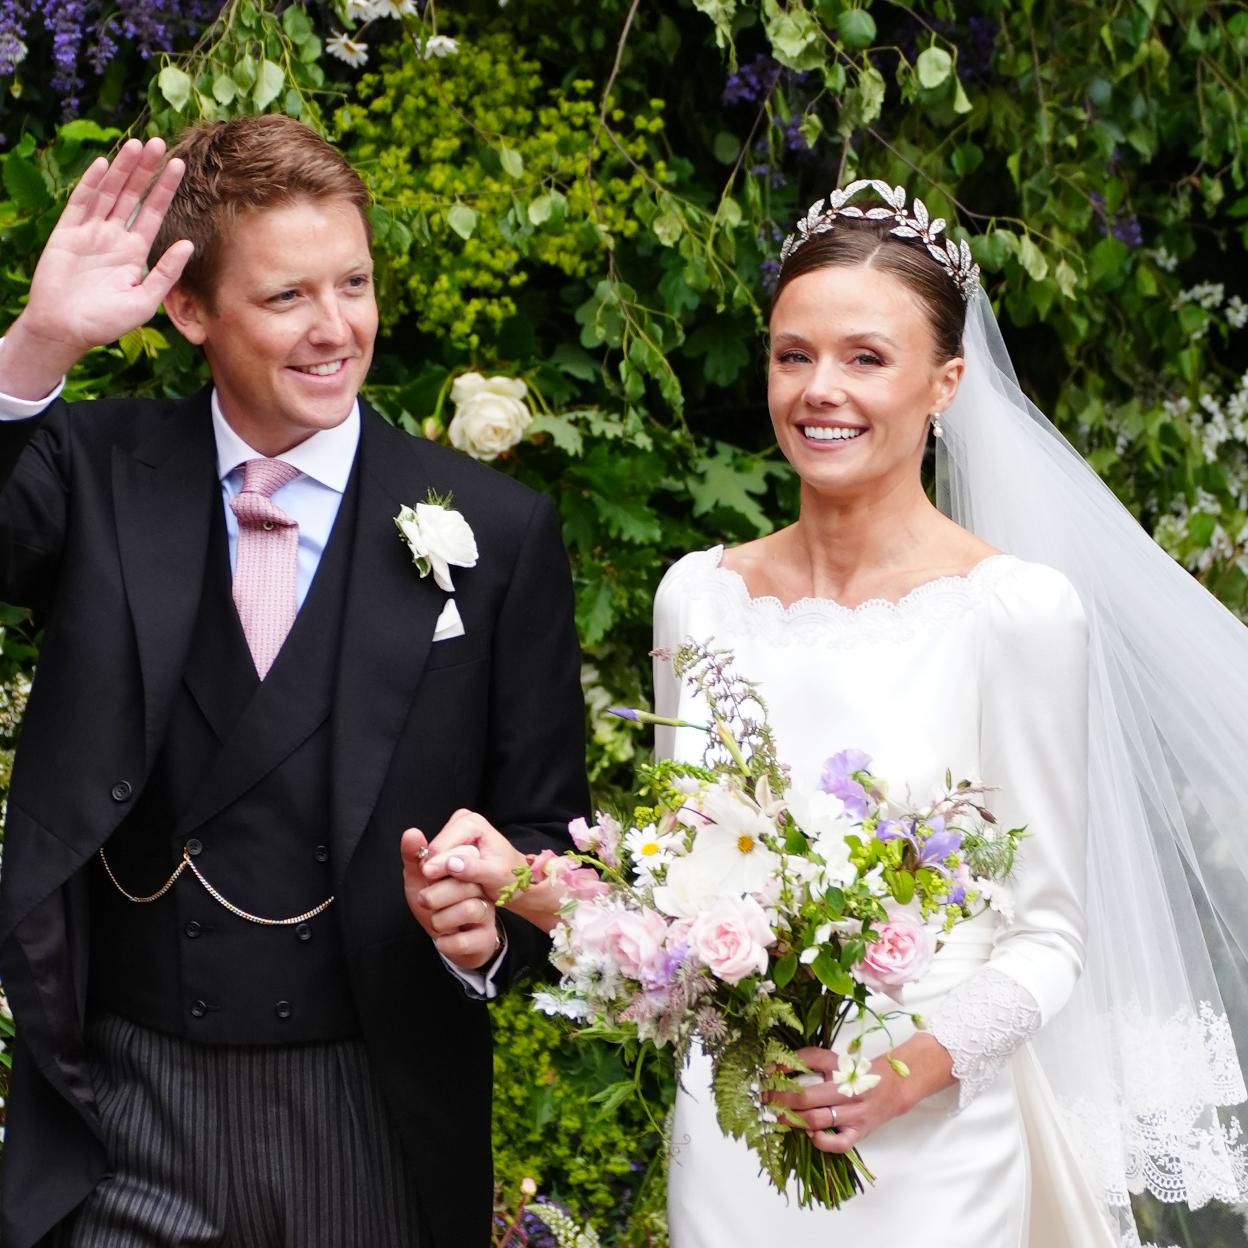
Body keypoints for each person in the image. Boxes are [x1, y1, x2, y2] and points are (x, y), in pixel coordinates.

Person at [420, 180, 1248, 1245]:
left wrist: (897, 1076)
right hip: (737, 1142)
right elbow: (679, 914)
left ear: (946, 382)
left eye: (867, 357)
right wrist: (523, 881)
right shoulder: (699, 597)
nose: (821, 389)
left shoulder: (1016, 614)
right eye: (792, 353)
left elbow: (1046, 937)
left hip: (934, 1153)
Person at [0, 115, 587, 1248]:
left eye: (354, 283)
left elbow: (544, 832)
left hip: (368, 1111)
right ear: (188, 311)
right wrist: (35, 350)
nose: (336, 331)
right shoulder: (92, 470)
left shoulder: (498, 532)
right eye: (285, 299)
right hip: (126, 1109)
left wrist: (491, 928)